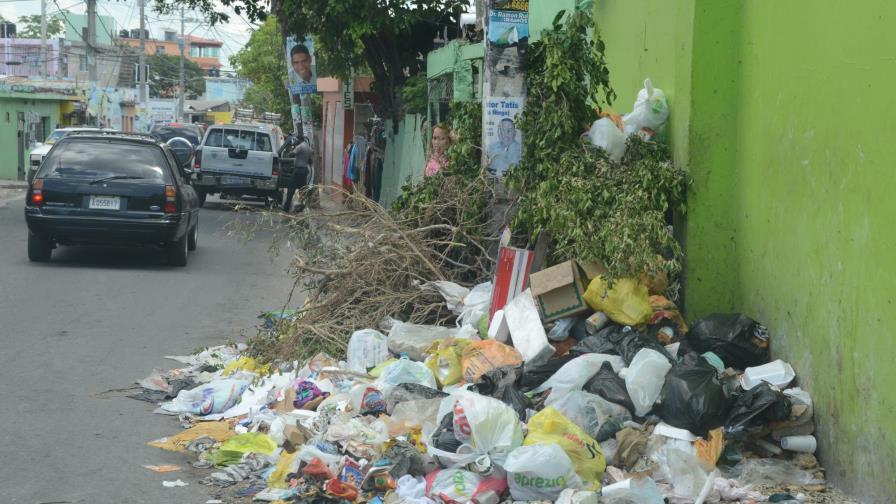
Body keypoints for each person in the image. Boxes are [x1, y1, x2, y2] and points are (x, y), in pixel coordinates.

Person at [283, 132, 313, 212]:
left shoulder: (300, 147)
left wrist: (292, 148)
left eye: (296, 140)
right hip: (304, 171)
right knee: (302, 190)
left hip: (298, 170)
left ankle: (286, 207)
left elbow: (291, 155)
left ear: (299, 140)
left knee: (291, 188)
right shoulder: (308, 148)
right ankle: (300, 207)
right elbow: (310, 161)